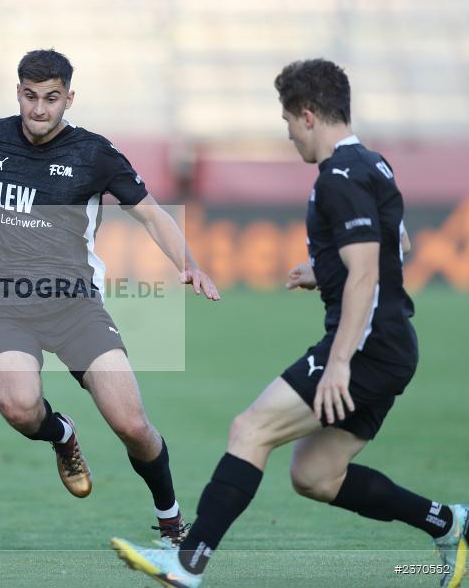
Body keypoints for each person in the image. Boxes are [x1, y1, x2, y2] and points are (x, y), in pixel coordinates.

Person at [110, 58, 467, 588]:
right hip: (393, 346)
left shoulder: (338, 179)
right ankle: (450, 522)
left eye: (285, 122)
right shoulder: (374, 163)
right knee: (315, 476)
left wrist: (340, 362)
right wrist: (323, 270)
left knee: (250, 429)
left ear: (306, 116)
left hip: (367, 346)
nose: (288, 136)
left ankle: (186, 563)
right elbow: (400, 244)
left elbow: (367, 274)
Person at [0, 49, 220, 546]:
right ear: (18, 92)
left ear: (69, 98)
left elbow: (150, 213)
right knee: (18, 407)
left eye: (51, 98)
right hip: (8, 302)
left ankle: (171, 523)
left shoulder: (95, 154)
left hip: (76, 304)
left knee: (132, 424)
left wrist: (187, 263)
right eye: (30, 96)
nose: (39, 109)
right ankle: (62, 435)